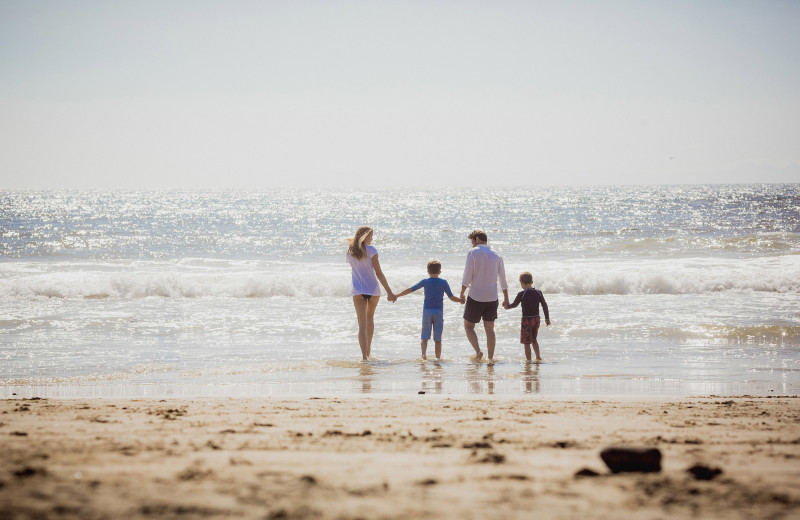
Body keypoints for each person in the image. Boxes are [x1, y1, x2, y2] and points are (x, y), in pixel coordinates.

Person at [395, 260, 463, 360]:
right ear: (440, 271)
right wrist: (461, 300)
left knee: (424, 336)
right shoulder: (443, 282)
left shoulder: (425, 282)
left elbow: (411, 289)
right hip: (438, 312)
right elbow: (451, 297)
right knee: (438, 339)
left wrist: (397, 295)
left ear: (428, 271)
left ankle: (423, 355)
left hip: (427, 312)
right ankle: (438, 358)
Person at [346, 226, 396, 360]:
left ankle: (364, 357)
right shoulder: (372, 250)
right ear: (365, 236)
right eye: (371, 236)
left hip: (357, 290)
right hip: (373, 290)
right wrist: (389, 292)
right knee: (370, 318)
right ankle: (368, 351)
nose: (372, 238)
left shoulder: (349, 252)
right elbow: (378, 273)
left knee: (361, 324)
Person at [459, 230, 509, 361]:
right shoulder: (497, 255)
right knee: (490, 330)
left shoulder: (473, 253)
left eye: (472, 242)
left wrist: (462, 293)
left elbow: (467, 277)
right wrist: (506, 298)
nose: (472, 245)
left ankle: (478, 351)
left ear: (477, 239)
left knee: (468, 326)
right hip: (492, 298)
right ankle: (491, 359)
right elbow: (503, 279)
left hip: (476, 296)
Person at [504, 272, 550, 361]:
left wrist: (507, 306)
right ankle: (538, 357)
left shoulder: (522, 294)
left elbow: (514, 305)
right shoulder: (538, 292)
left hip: (527, 320)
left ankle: (529, 360)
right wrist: (547, 318)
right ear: (532, 282)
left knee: (526, 342)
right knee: (534, 339)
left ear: (521, 283)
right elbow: (544, 305)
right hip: (536, 318)